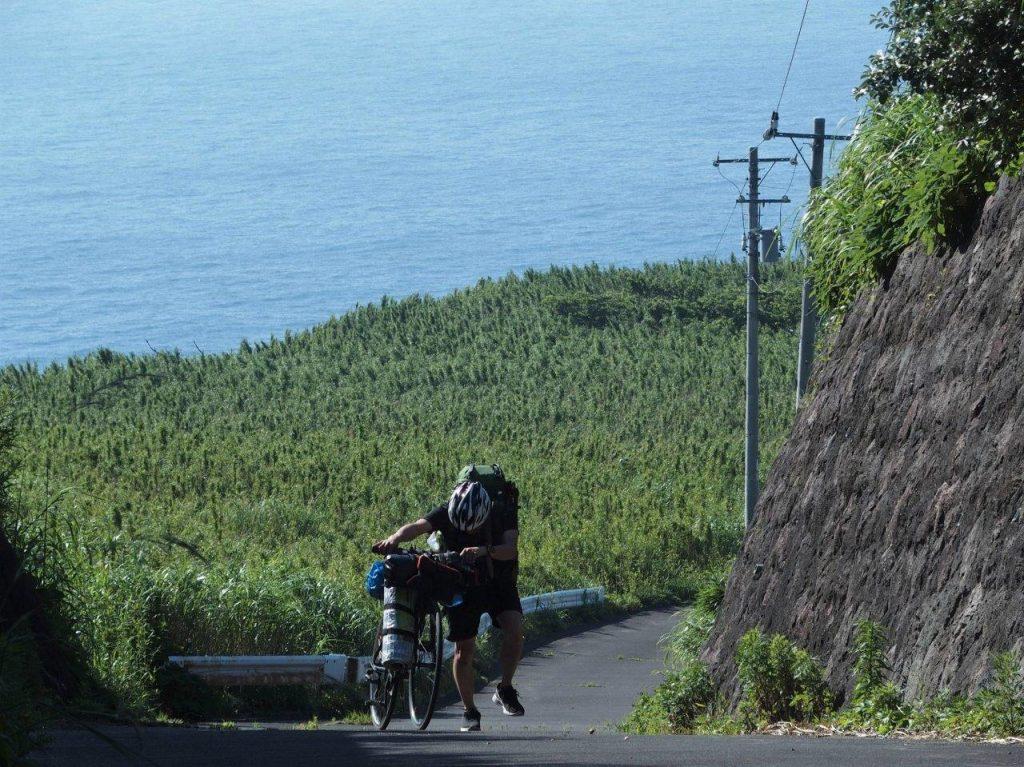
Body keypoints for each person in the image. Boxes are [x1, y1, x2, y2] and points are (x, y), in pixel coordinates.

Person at [374, 472, 524, 732]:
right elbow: (418, 527)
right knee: (463, 651)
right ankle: (469, 711)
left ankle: (505, 689)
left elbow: (511, 548)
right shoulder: (447, 510)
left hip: (496, 578)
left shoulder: (502, 511)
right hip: (461, 583)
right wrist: (394, 538)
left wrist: (484, 551)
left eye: (474, 528)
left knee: (516, 632)